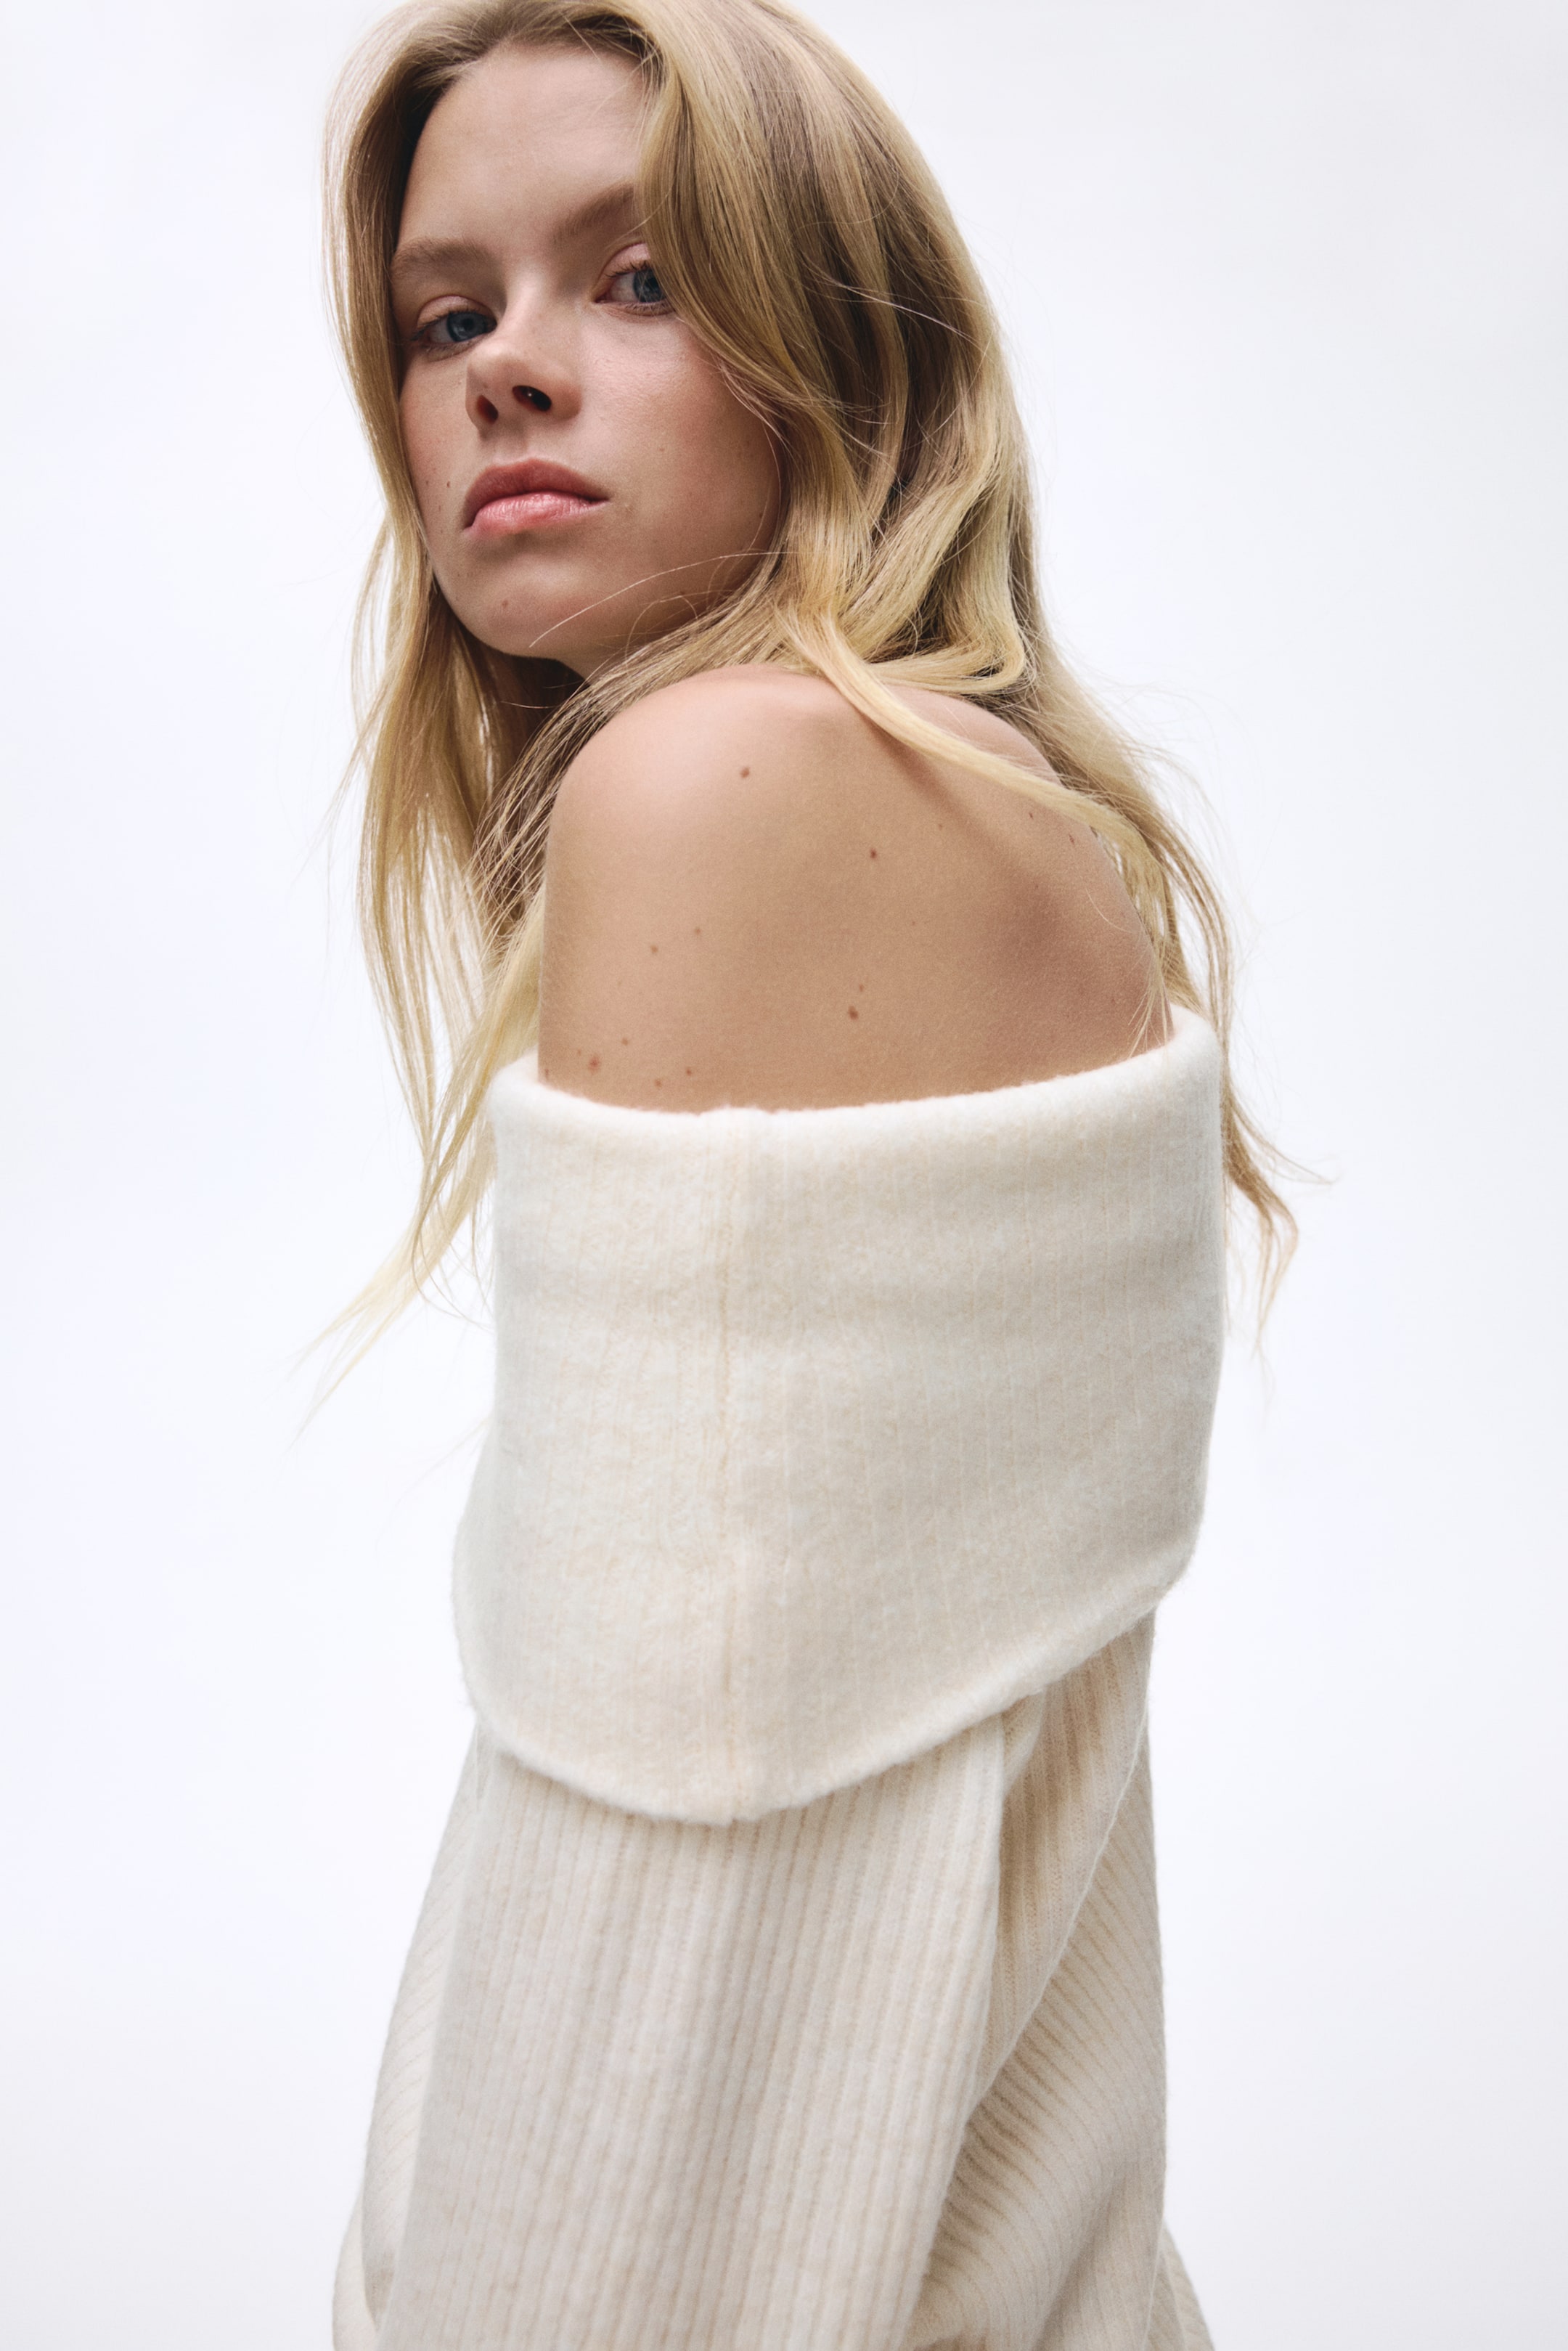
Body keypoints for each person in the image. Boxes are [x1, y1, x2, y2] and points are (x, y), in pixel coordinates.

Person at [323, 3, 1293, 2344]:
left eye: (640, 278)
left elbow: (665, 1980)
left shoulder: (723, 789)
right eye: (447, 316)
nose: (506, 370)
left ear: (852, 354)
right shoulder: (983, 814)